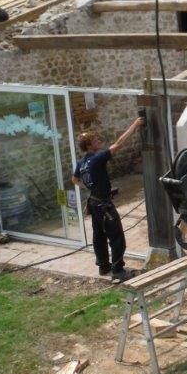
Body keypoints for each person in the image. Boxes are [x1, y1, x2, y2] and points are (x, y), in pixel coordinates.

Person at [72, 117, 144, 282]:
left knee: (99, 236)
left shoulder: (82, 163)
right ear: (90, 146)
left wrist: (90, 187)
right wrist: (135, 125)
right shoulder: (97, 159)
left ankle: (103, 267)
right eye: (96, 140)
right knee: (117, 237)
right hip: (103, 204)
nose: (100, 141)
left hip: (93, 202)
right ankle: (118, 270)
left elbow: (74, 180)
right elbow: (118, 144)